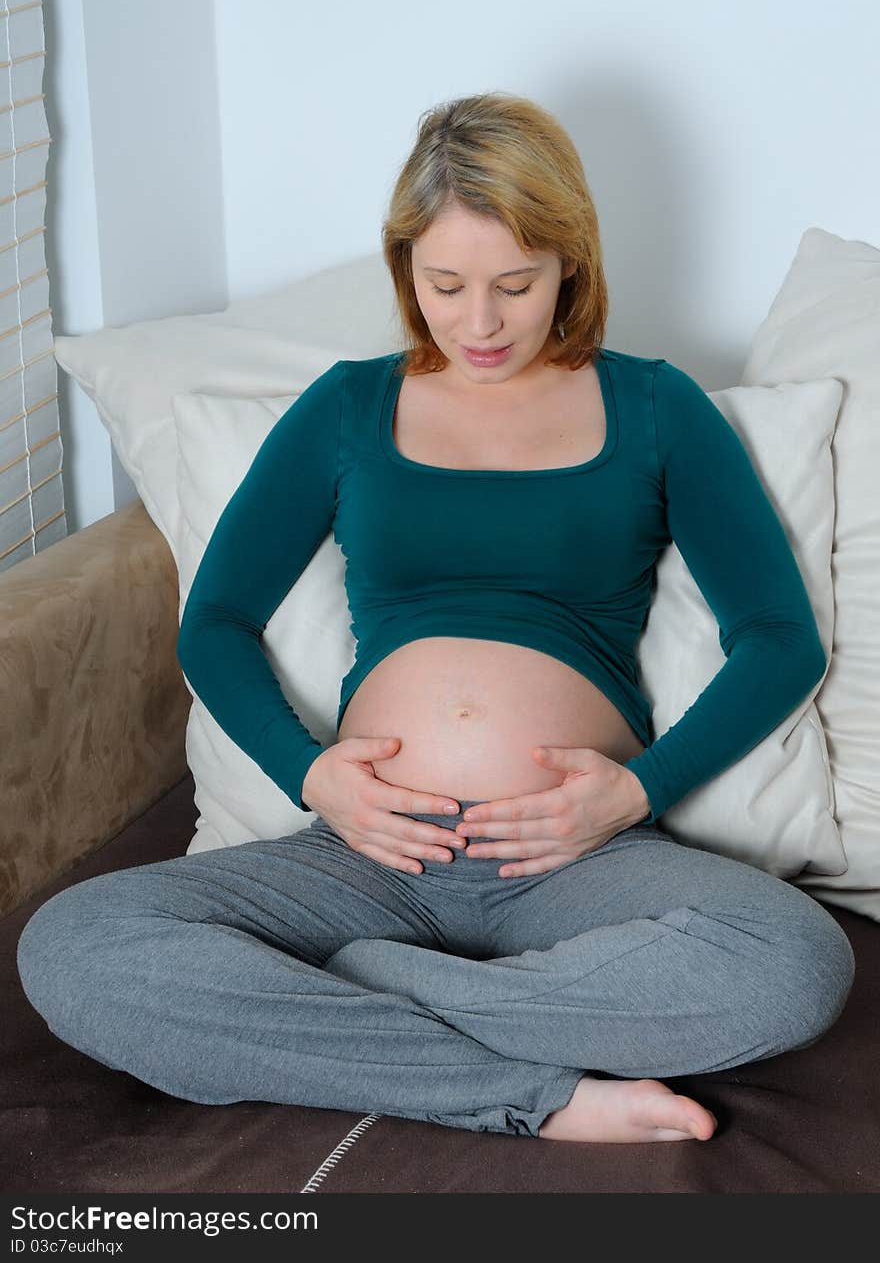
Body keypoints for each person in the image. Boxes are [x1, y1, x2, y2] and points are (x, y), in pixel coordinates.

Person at [17, 92, 855, 1145]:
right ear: (404, 268)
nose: (481, 322)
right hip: (362, 856)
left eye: (515, 283)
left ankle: (353, 992)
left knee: (793, 965)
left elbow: (778, 635)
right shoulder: (347, 406)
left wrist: (638, 792)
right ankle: (533, 1098)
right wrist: (309, 775)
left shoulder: (653, 405)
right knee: (77, 943)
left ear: (570, 267)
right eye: (445, 284)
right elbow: (216, 618)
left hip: (572, 861)